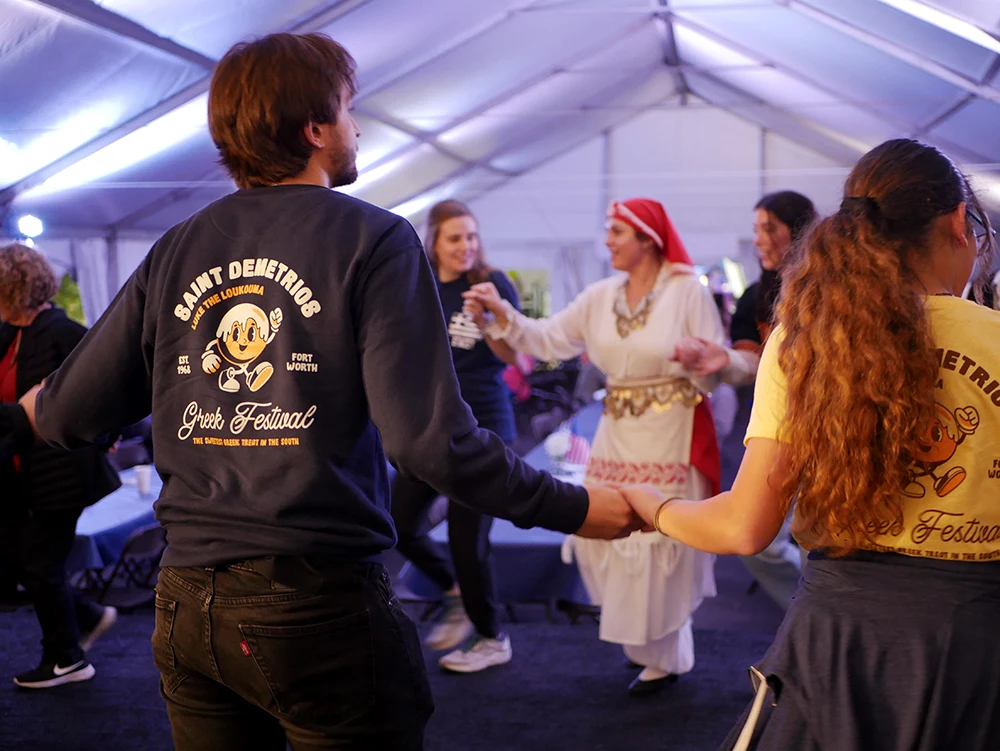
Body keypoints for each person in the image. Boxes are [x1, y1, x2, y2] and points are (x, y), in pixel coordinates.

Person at [14, 33, 637, 750]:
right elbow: (430, 441)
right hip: (314, 605)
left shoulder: (179, 246)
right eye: (348, 109)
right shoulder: (375, 238)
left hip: (186, 603)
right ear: (315, 129)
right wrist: (575, 506)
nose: (358, 126)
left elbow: (64, 412)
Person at [623, 138, 1000, 749]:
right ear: (959, 221)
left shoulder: (808, 342)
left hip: (840, 648)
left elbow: (743, 529)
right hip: (978, 644)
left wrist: (654, 508)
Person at [463, 198, 755, 695]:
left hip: (671, 433)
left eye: (617, 232)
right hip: (617, 434)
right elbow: (547, 338)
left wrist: (710, 357)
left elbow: (721, 366)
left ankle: (665, 653)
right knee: (606, 534)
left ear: (647, 238)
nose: (608, 241)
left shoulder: (687, 292)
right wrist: (501, 314)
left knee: (661, 539)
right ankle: (646, 646)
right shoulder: (600, 295)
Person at [390, 199, 521, 673]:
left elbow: (511, 357)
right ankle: (454, 592)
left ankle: (492, 637)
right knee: (397, 523)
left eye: (471, 236)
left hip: (486, 424)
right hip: (433, 426)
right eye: (455, 238)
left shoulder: (490, 284)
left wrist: (488, 321)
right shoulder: (418, 285)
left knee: (469, 539)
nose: (466, 246)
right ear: (435, 242)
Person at [675, 191, 817, 610]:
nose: (759, 239)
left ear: (801, 230)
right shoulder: (757, 294)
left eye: (769, 228)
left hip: (832, 431)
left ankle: (817, 621)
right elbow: (750, 363)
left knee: (820, 541)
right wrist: (722, 359)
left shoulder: (834, 289)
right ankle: (807, 610)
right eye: (756, 228)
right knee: (758, 542)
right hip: (776, 433)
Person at [0, 243, 119, 689]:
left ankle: (66, 659)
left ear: (14, 290)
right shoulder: (9, 333)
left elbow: (105, 390)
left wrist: (104, 436)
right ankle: (88, 615)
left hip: (59, 473)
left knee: (41, 565)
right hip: (18, 473)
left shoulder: (62, 332)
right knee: (22, 561)